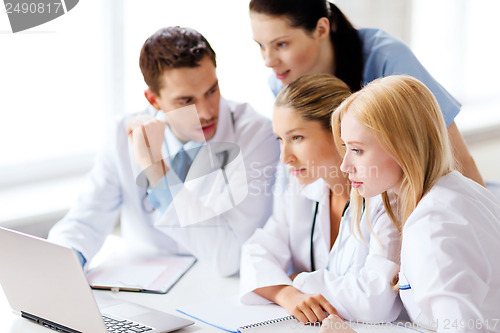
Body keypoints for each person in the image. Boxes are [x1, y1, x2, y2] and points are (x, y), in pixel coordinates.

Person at [48, 26, 279, 277]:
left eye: (212, 91)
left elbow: (231, 257)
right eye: (186, 101)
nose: (207, 112)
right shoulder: (121, 134)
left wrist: (156, 170)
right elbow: (84, 221)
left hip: (218, 287)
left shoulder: (257, 135)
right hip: (143, 286)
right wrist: (62, 266)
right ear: (153, 100)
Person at [324, 75, 500, 332]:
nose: (345, 165)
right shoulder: (458, 191)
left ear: (401, 147)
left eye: (357, 150)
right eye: (346, 149)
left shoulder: (432, 223)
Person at [248, 0, 485, 187]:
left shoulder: (387, 59)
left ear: (321, 28)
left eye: (281, 44)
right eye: (260, 45)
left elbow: (457, 159)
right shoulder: (281, 82)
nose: (268, 61)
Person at [239, 73, 402, 324]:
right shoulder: (303, 186)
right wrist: (287, 293)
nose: (285, 157)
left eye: (297, 138)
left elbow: (374, 301)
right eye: (280, 139)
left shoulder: (387, 196)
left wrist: (300, 279)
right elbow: (257, 251)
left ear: (339, 132)